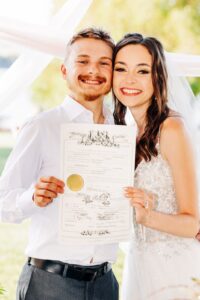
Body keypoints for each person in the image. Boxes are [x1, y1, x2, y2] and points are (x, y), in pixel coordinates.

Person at [0, 28, 119, 300]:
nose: (94, 70)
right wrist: (33, 197)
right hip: (49, 284)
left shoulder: (122, 132)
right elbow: (2, 203)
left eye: (104, 63)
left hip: (106, 284)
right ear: (64, 71)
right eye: (83, 61)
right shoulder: (41, 127)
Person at [112, 33, 200, 299]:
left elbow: (193, 223)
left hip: (174, 268)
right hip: (140, 263)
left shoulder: (171, 128)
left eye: (142, 71)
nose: (129, 79)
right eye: (121, 69)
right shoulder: (125, 131)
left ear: (157, 77)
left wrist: (148, 216)